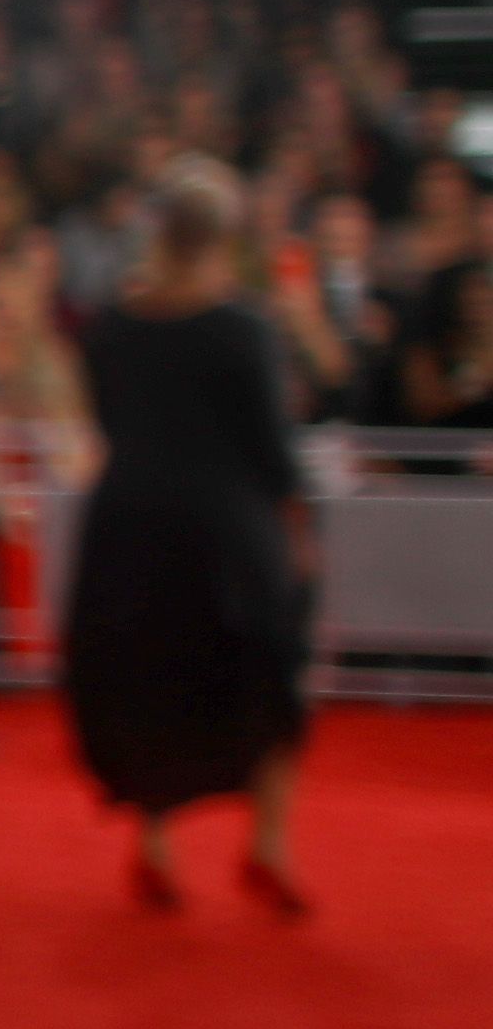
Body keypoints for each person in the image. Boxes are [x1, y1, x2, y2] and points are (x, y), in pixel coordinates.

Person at [65, 159, 316, 916]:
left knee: (150, 679)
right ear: (228, 236)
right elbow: (273, 449)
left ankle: (154, 843)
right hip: (228, 532)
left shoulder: (112, 326)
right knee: (272, 675)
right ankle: (268, 841)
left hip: (129, 526)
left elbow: (107, 420)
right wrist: (298, 528)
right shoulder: (246, 330)